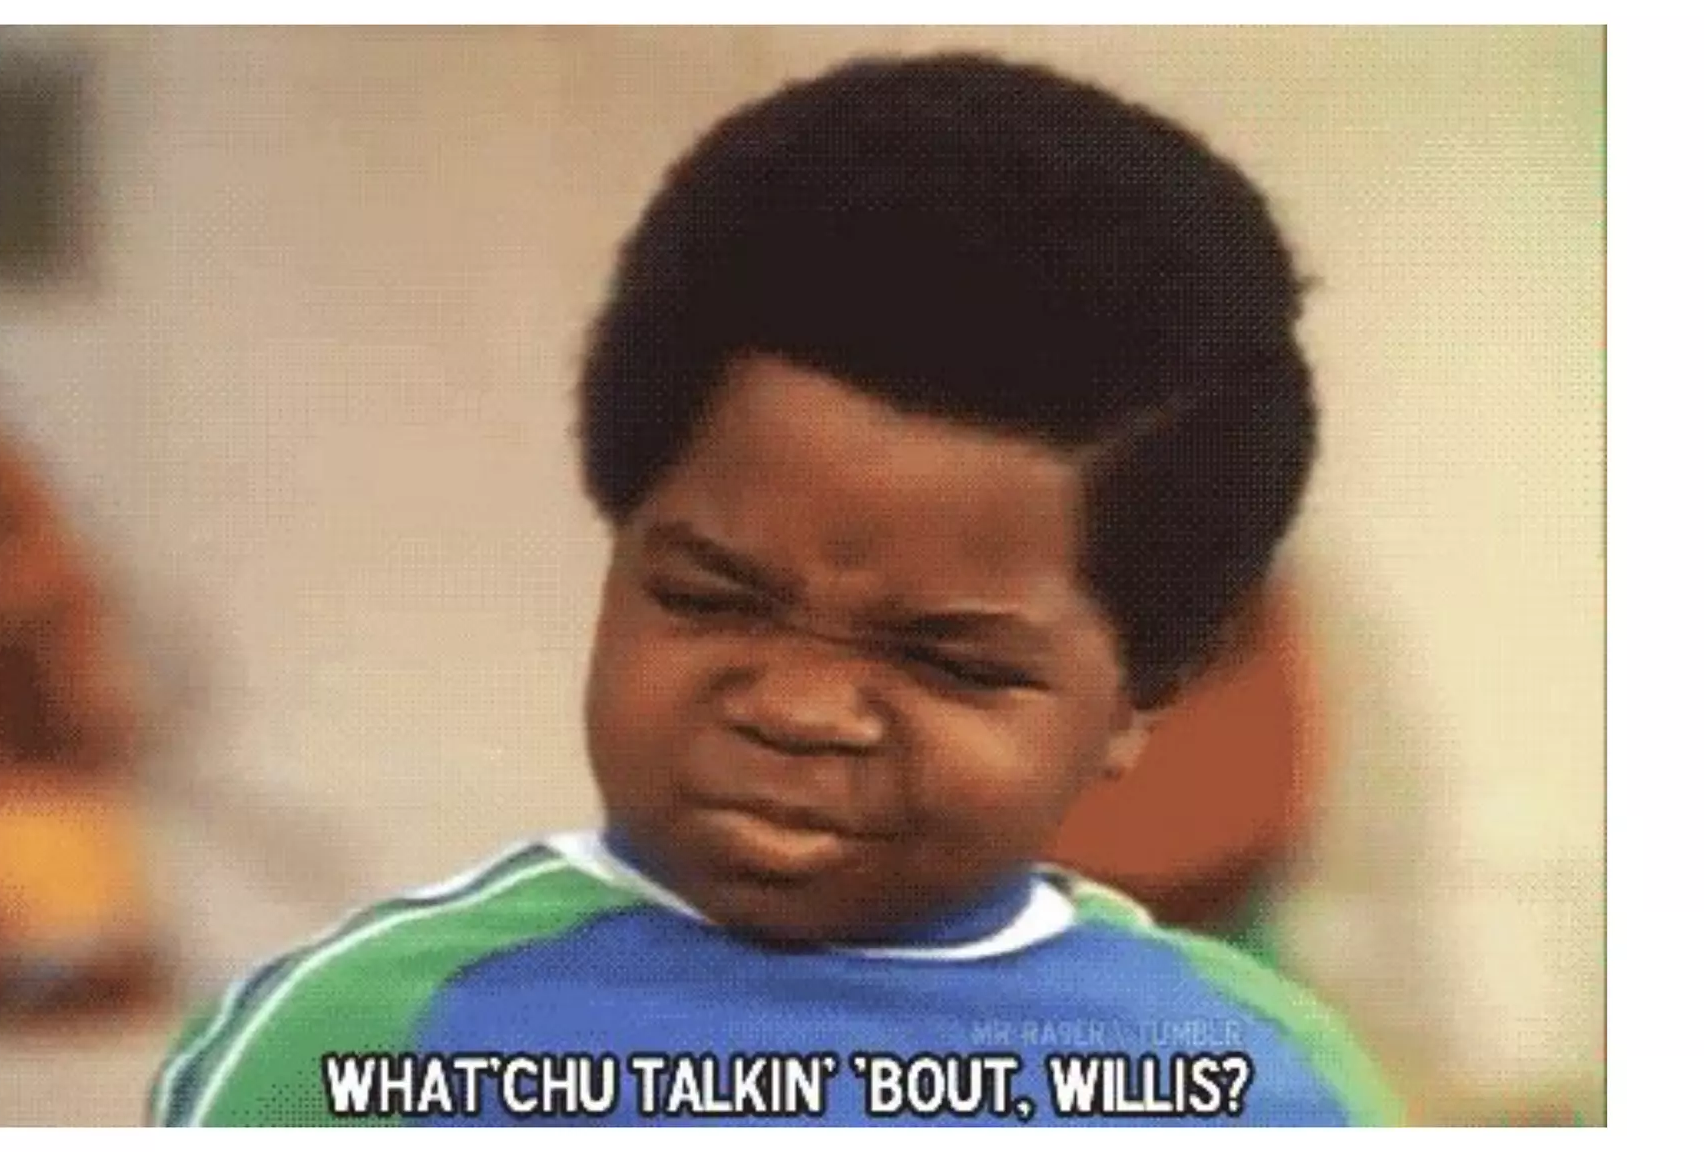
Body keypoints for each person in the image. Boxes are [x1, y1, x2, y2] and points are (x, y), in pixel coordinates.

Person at [148, 52, 1401, 1127]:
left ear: (1141, 694)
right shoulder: (363, 1048)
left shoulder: (1249, 1081)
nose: (798, 709)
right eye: (710, 600)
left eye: (947, 661)